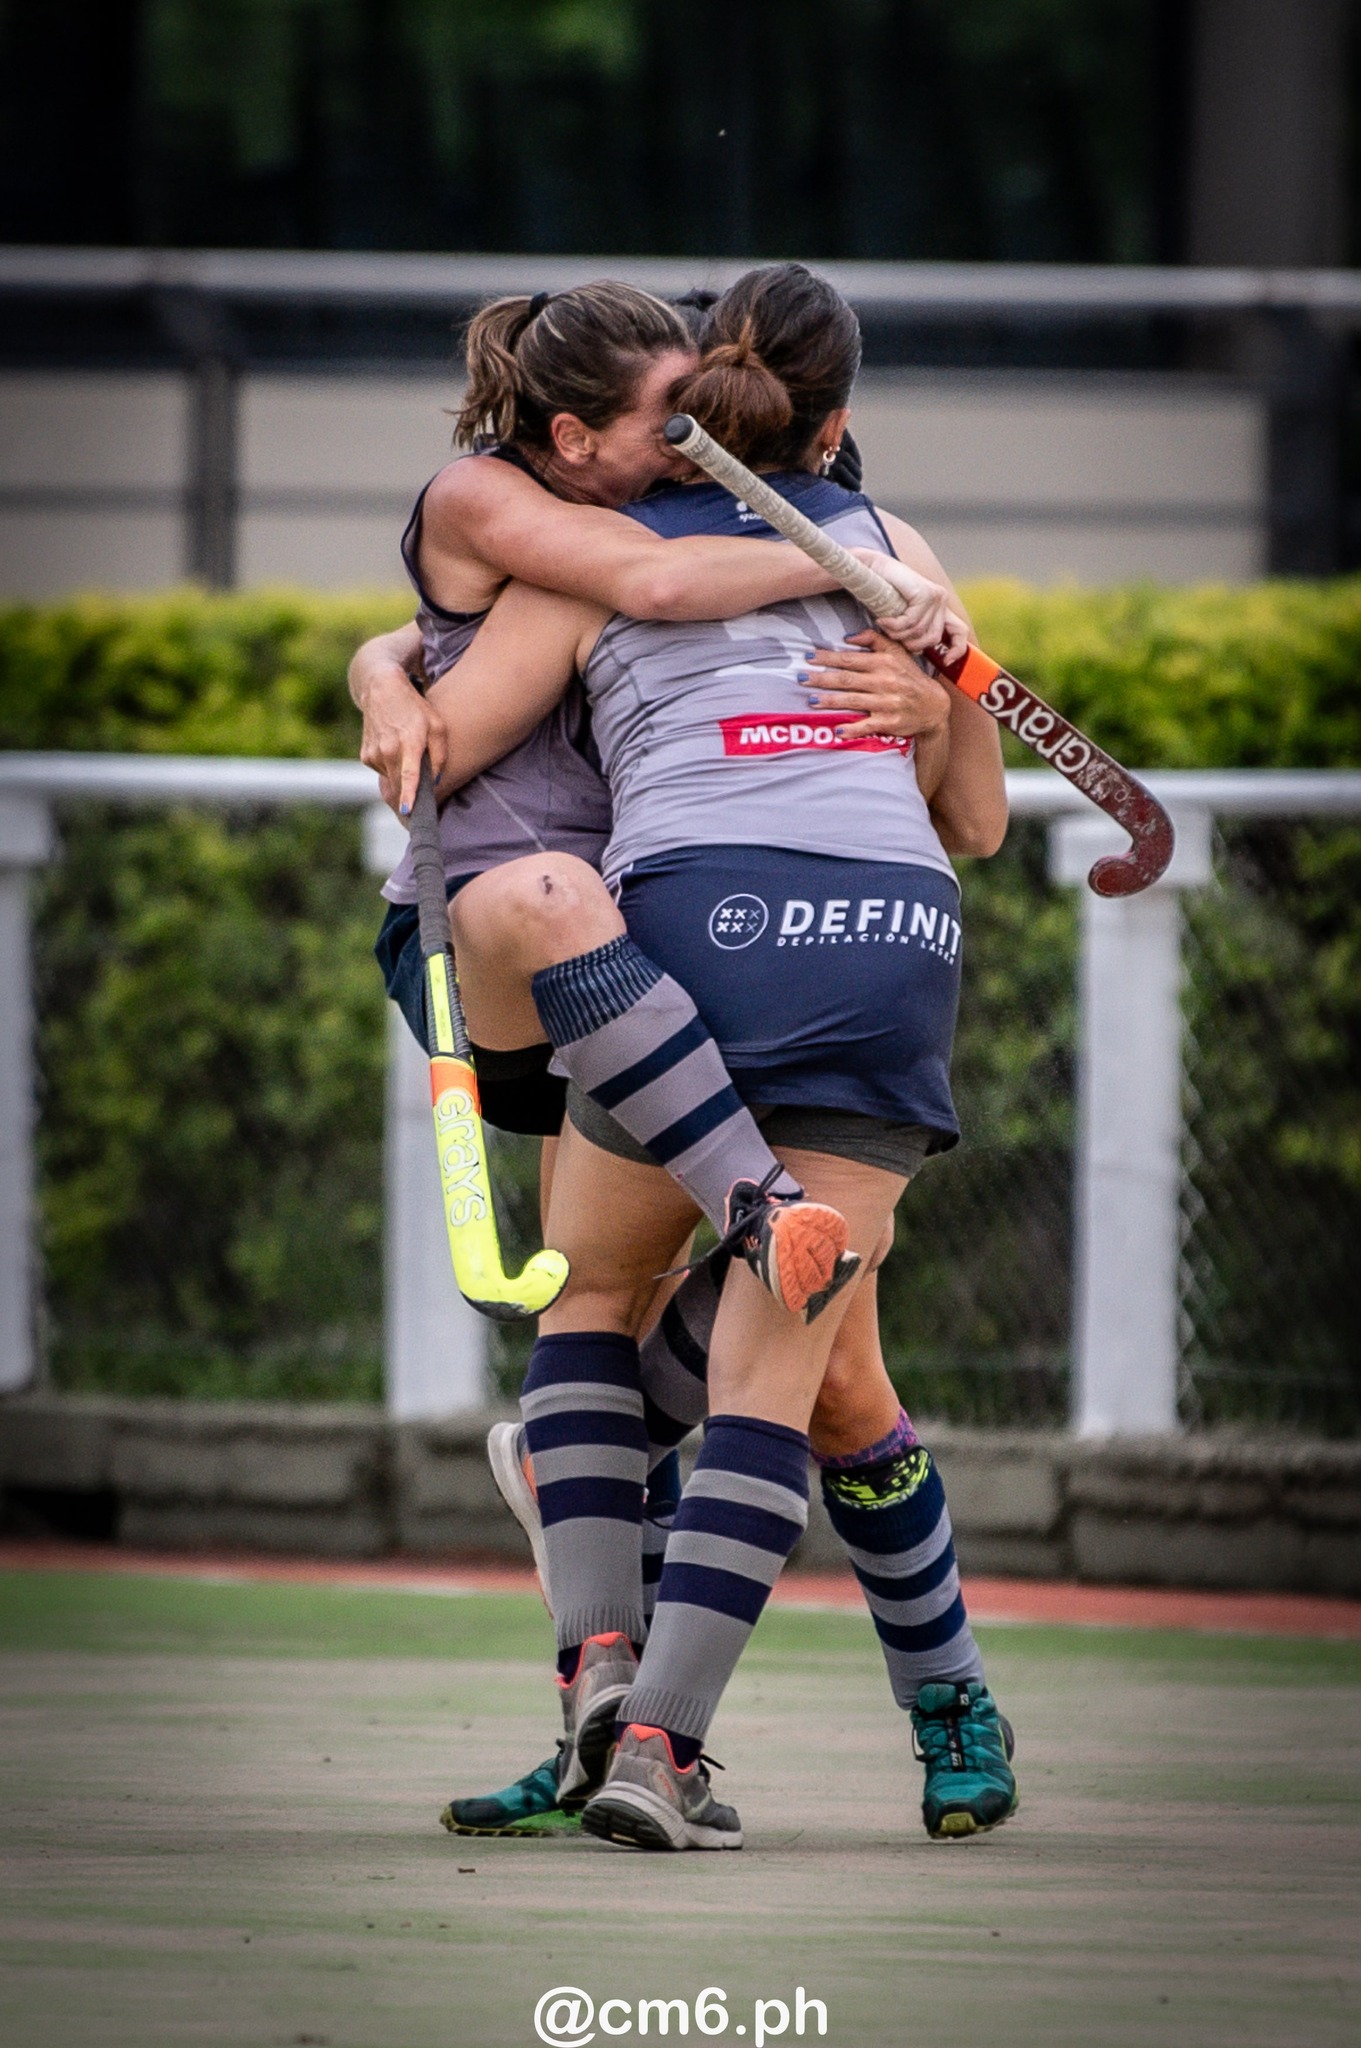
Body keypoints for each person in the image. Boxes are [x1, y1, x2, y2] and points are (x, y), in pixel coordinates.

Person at [410, 262, 1018, 1850]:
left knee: (601, 1306)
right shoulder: (897, 557)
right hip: (894, 951)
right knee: (795, 1378)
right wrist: (929, 692)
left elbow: (442, 742)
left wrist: (381, 668)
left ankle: (600, 1678)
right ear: (840, 416)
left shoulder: (592, 560)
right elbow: (980, 822)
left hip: (690, 943)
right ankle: (663, 1751)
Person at [354, 279, 961, 1319]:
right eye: (672, 421)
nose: (702, 442)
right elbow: (657, 587)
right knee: (558, 899)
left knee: (641, 1315)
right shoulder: (484, 497)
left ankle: (585, 1467)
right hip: (511, 937)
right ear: (573, 438)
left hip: (627, 944)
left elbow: (433, 631)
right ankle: (760, 1206)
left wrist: (929, 704)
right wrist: (866, 567)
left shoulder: (622, 518)